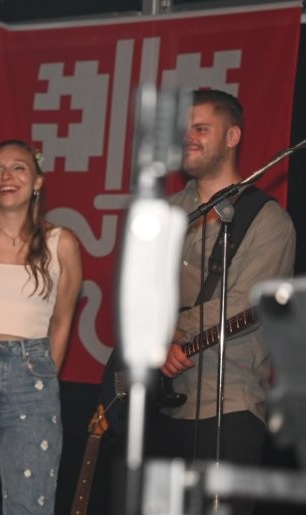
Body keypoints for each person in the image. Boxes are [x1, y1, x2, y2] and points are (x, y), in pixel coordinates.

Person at [151, 89, 296, 515]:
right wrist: (157, 339)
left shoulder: (267, 220)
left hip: (228, 402)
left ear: (232, 137)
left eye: (200, 129)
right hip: (161, 403)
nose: (188, 138)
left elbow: (244, 304)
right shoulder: (166, 212)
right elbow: (141, 292)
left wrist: (174, 332)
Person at [0, 140, 82, 514]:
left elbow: (63, 319)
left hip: (31, 377)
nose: (6, 176)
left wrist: (44, 374)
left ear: (38, 181)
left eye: (18, 167)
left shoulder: (62, 243)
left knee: (30, 502)